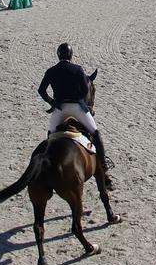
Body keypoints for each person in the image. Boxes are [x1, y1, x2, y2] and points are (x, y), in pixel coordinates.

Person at [38, 43, 112, 188]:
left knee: (50, 136)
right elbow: (85, 89)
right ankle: (103, 167)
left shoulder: (51, 71)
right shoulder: (77, 69)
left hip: (59, 110)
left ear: (58, 55)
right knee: (95, 133)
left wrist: (52, 101)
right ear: (71, 56)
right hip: (78, 108)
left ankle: (47, 169)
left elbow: (41, 90)